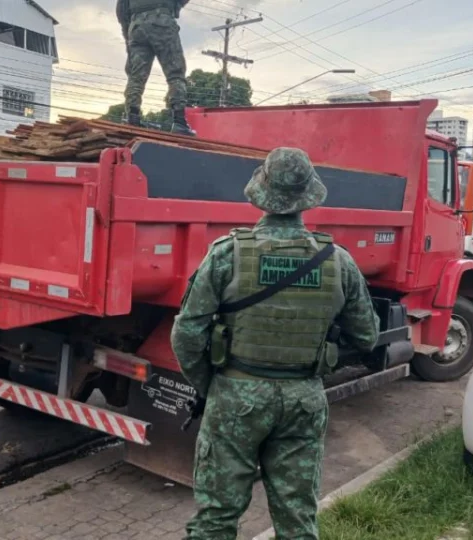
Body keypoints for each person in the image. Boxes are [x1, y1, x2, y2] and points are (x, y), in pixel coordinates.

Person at [171, 147, 380, 539]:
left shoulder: (226, 255)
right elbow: (367, 336)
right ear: (308, 196)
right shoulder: (338, 262)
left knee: (216, 519)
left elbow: (186, 336)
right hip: (303, 399)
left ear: (260, 191)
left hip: (235, 396)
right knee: (298, 521)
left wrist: (212, 387)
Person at [116, 0, 195, 136]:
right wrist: (175, 6)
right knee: (175, 73)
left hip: (136, 27)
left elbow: (121, 12)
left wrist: (128, 37)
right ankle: (179, 122)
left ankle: (132, 118)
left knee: (136, 76)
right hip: (161, 22)